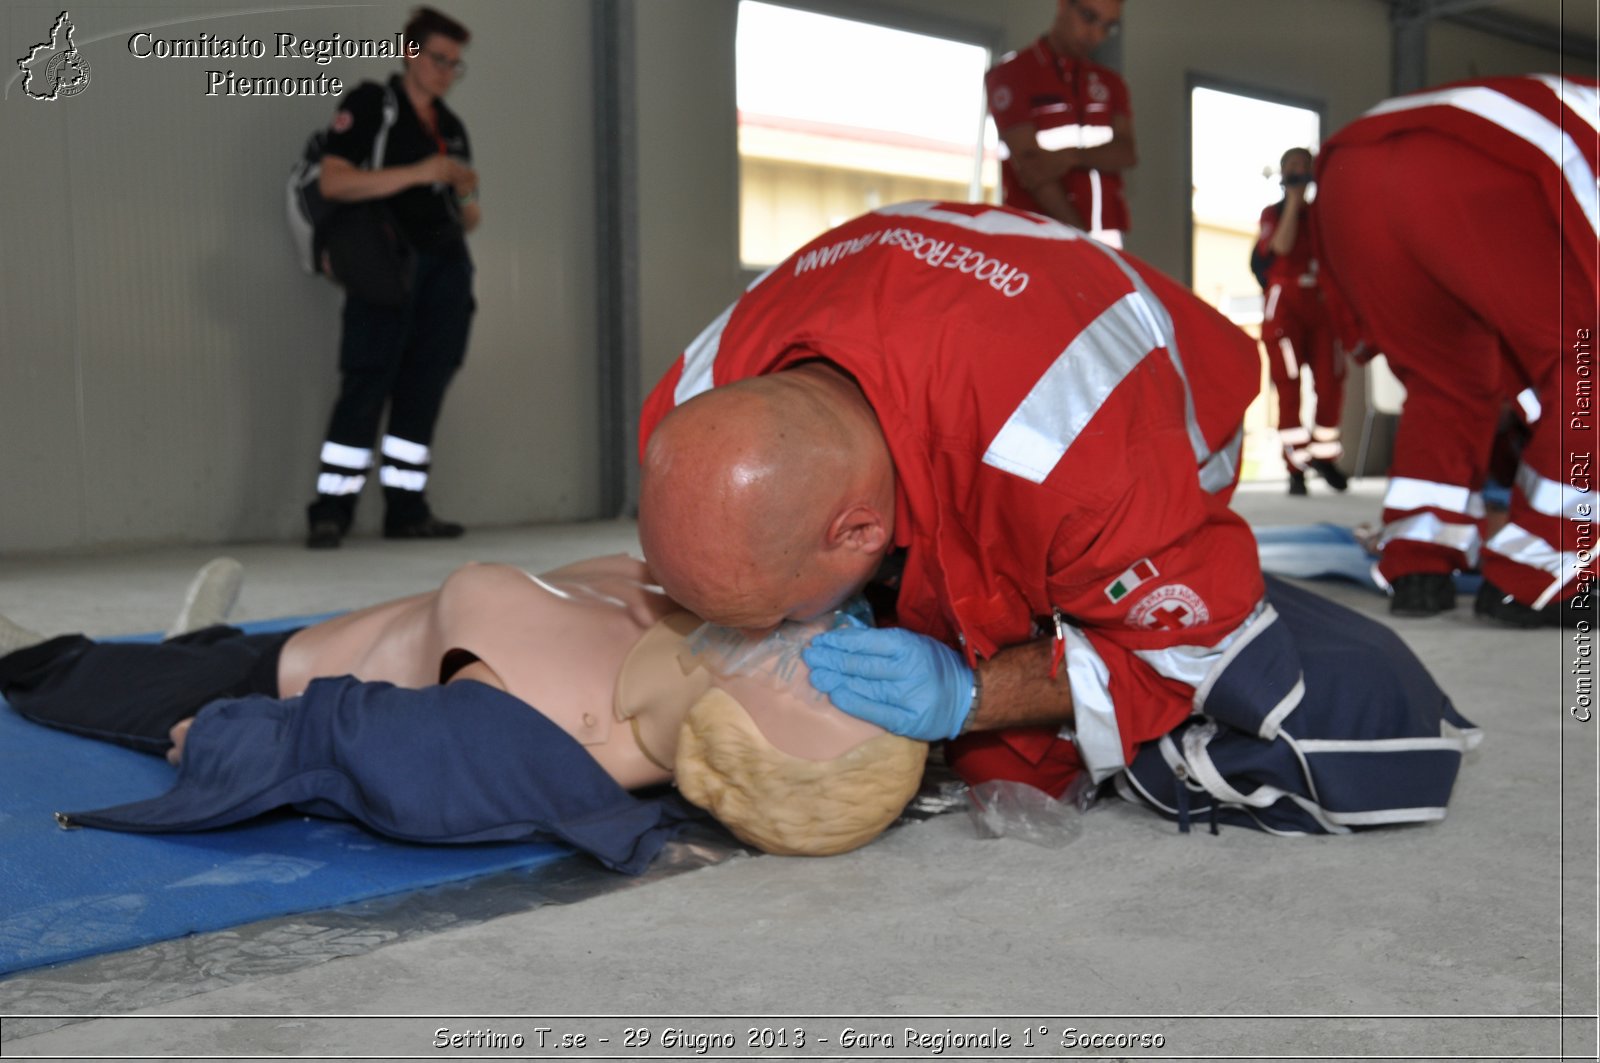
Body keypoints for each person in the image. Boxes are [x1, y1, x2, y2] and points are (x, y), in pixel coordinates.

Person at [638, 200, 1478, 834]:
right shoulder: (687, 401)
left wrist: (972, 693)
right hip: (955, 333)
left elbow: (1185, 647)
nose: (772, 642)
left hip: (1159, 394)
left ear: (862, 533)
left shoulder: (1083, 465)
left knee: (1084, 722)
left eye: (778, 617)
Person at [0, 557, 927, 870]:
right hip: (337, 626)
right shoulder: (723, 611)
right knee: (190, 644)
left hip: (259, 676)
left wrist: (218, 735)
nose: (825, 656)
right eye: (854, 669)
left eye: (813, 688)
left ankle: (155, 647)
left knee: (47, 666)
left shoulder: (520, 742)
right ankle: (188, 634)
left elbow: (334, 756)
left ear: (739, 746)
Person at [1315, 75, 1598, 624]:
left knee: (1447, 382)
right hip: (1488, 157)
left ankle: (1420, 558)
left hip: (1354, 167)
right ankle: (1542, 569)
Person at [303, 6, 480, 550]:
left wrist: (464, 191)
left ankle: (407, 509)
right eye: (438, 58)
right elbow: (334, 182)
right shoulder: (370, 105)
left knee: (424, 386)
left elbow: (471, 217)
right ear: (409, 52)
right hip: (384, 266)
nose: (447, 71)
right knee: (367, 382)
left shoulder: (451, 128)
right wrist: (421, 173)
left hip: (445, 268)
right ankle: (331, 511)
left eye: (455, 63)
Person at [984, 0, 1137, 246]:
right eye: (1088, 17)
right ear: (1063, 4)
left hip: (1107, 243)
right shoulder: (1011, 74)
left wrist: (1069, 157)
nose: (1096, 35)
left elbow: (1127, 153)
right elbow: (1033, 169)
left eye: (1108, 26)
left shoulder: (1112, 83)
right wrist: (1083, 240)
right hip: (1034, 238)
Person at [1250, 147, 1347, 496]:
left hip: (1321, 305)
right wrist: (1293, 200)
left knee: (1331, 380)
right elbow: (1282, 247)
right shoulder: (1272, 214)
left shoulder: (1324, 216)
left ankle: (1325, 456)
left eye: (1304, 167)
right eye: (1292, 167)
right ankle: (1295, 466)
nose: (1298, 171)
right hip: (1285, 307)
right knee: (1288, 386)